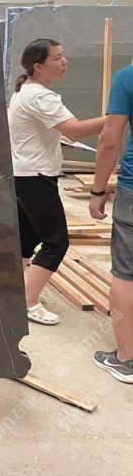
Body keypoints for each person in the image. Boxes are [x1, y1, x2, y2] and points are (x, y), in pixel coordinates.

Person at [8, 38, 104, 325]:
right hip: (36, 177)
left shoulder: (26, 90)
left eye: (64, 56)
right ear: (38, 67)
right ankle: (28, 301)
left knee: (27, 238)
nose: (65, 62)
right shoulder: (40, 97)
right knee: (56, 241)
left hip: (23, 174)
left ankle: (11, 292)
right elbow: (75, 130)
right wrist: (116, 117)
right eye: (57, 58)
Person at [87, 67, 133, 383]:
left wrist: (97, 190)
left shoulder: (127, 77)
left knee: (126, 273)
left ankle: (126, 358)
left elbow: (109, 139)